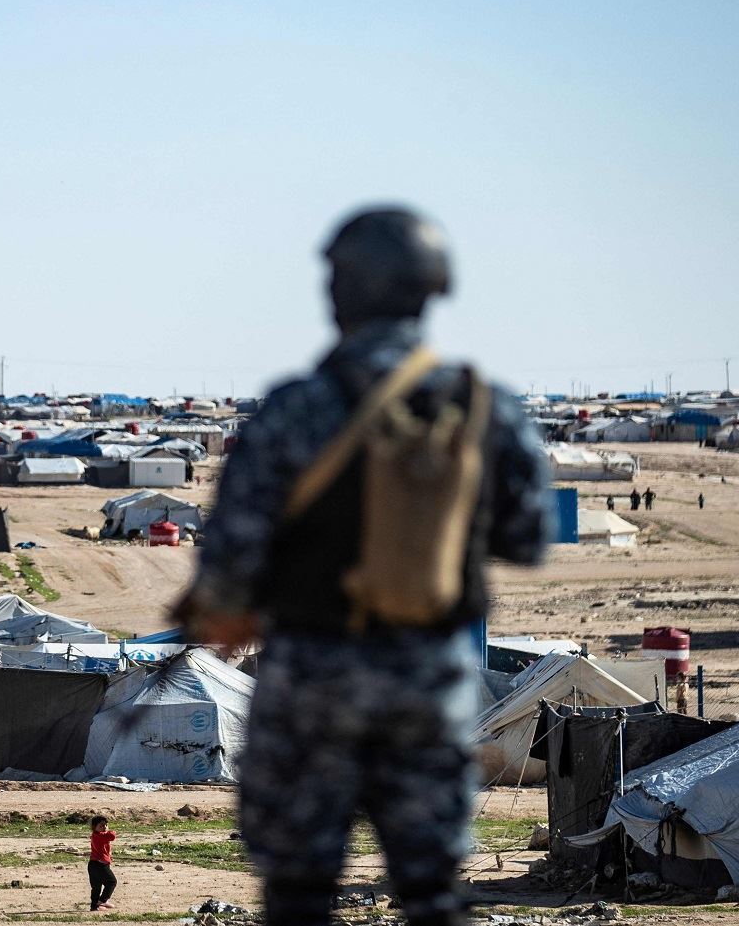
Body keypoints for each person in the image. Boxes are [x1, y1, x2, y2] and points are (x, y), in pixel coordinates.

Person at [172, 206, 551, 926]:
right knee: (433, 894)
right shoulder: (484, 409)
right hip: (430, 683)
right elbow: (528, 538)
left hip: (310, 683)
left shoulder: (295, 410)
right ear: (431, 290)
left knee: (298, 892)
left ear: (339, 291)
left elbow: (230, 559)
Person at [87, 815, 118, 911]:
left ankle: (94, 906)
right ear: (94, 827)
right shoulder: (100, 836)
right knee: (111, 882)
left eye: (106, 825)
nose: (105, 827)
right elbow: (112, 836)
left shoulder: (95, 835)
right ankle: (102, 900)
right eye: (101, 825)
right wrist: (110, 831)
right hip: (100, 865)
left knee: (96, 887)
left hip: (93, 864)